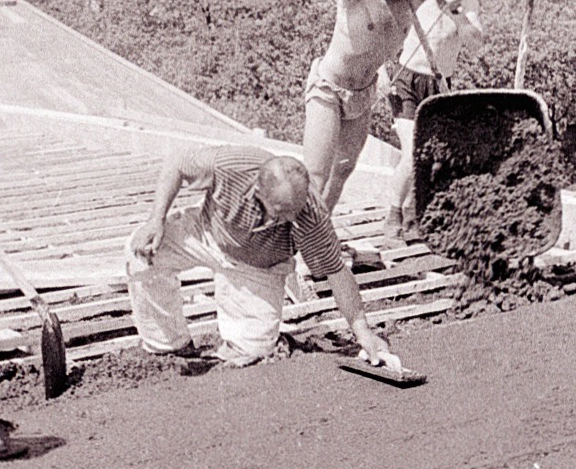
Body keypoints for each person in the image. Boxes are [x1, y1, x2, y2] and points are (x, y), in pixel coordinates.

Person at [304, 0, 544, 219]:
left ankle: (318, 233)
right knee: (317, 175)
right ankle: (296, 244)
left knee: (343, 170)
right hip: (330, 86)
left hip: (362, 94)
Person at [127, 143, 399, 368]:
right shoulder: (230, 165)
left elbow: (337, 272)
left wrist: (364, 333)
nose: (291, 219)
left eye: (296, 210)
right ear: (258, 191)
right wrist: (156, 219)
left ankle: (267, 337)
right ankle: (170, 346)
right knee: (141, 253)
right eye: (281, 212)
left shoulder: (309, 213)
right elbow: (177, 161)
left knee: (251, 351)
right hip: (207, 232)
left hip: (259, 265)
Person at [381, 0, 484, 241]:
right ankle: (394, 211)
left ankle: (415, 211)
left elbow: (477, 44)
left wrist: (458, 14)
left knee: (429, 154)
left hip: (440, 83)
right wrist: (378, 74)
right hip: (407, 79)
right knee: (412, 149)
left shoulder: (468, 2)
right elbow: (382, 32)